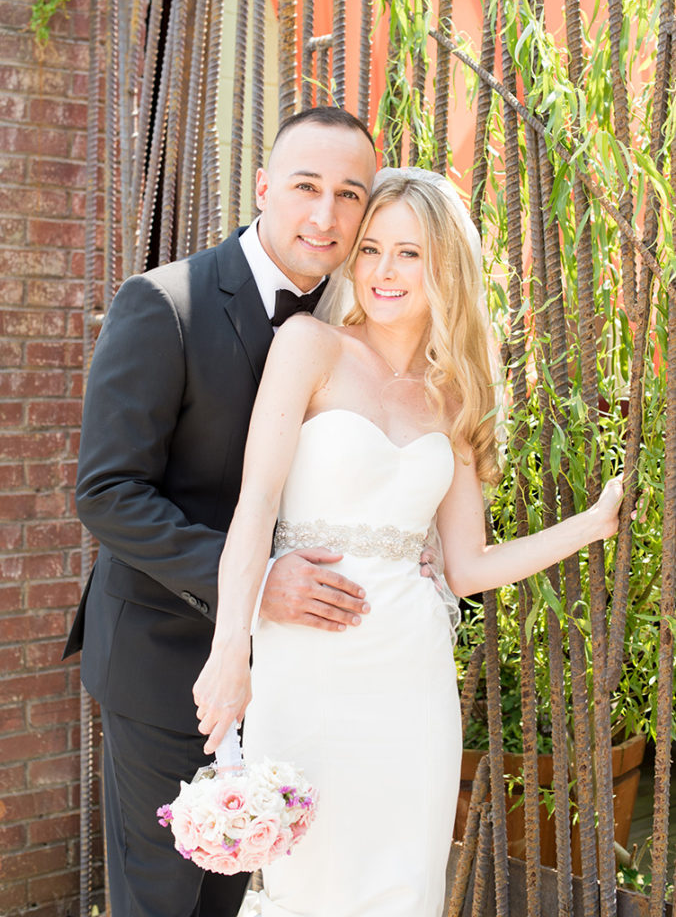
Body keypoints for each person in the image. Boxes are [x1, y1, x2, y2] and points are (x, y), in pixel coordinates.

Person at [193, 170, 624, 917]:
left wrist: (592, 524)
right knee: (310, 882)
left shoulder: (454, 392)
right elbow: (256, 504)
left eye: (410, 254)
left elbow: (468, 567)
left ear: (445, 265)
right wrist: (231, 646)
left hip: (411, 680)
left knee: (404, 887)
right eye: (371, 251)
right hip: (306, 668)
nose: (384, 273)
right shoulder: (309, 346)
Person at [63, 106, 378, 917]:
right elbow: (107, 491)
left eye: (350, 195)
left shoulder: (359, 323)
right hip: (165, 657)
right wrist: (256, 582)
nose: (325, 214)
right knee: (166, 899)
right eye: (307, 186)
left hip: (294, 674)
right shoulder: (164, 303)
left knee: (233, 901)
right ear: (265, 187)